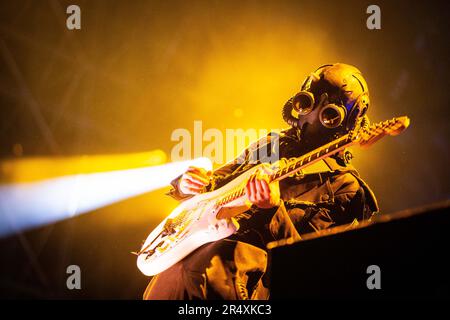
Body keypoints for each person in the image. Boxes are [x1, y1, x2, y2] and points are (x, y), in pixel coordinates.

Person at [143, 63, 378, 300]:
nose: (312, 115)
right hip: (183, 263)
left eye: (329, 114)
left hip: (234, 283)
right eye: (307, 102)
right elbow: (215, 184)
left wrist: (273, 210)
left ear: (348, 121)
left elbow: (313, 271)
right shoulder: (270, 145)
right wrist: (187, 185)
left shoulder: (346, 187)